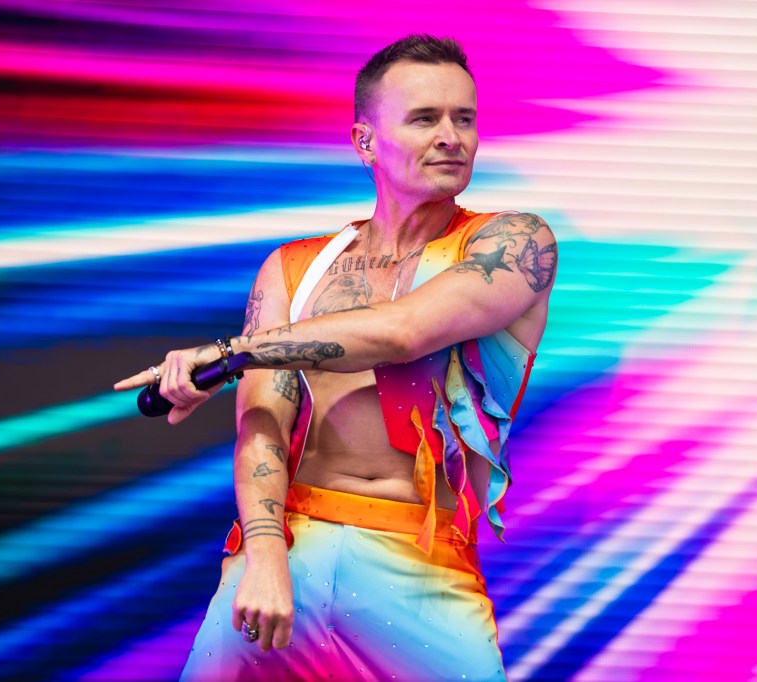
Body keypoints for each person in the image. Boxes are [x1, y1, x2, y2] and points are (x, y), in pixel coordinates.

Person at [115, 34, 557, 682]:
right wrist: (264, 553)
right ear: (365, 141)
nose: (451, 136)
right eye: (425, 118)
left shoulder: (513, 242)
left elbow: (404, 332)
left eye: (465, 118)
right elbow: (261, 423)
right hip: (289, 546)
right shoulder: (293, 268)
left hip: (423, 567)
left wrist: (228, 354)